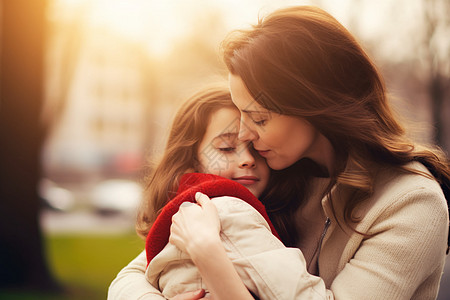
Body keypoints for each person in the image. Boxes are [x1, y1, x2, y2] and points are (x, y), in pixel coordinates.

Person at [168, 5, 450, 300]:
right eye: (241, 115)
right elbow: (136, 274)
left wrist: (209, 255)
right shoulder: (279, 176)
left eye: (259, 118)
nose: (244, 134)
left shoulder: (411, 204)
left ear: (313, 106)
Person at [109, 85, 309, 299]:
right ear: (191, 160)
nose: (248, 160)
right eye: (226, 148)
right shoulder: (227, 210)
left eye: (255, 148)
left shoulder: (193, 211)